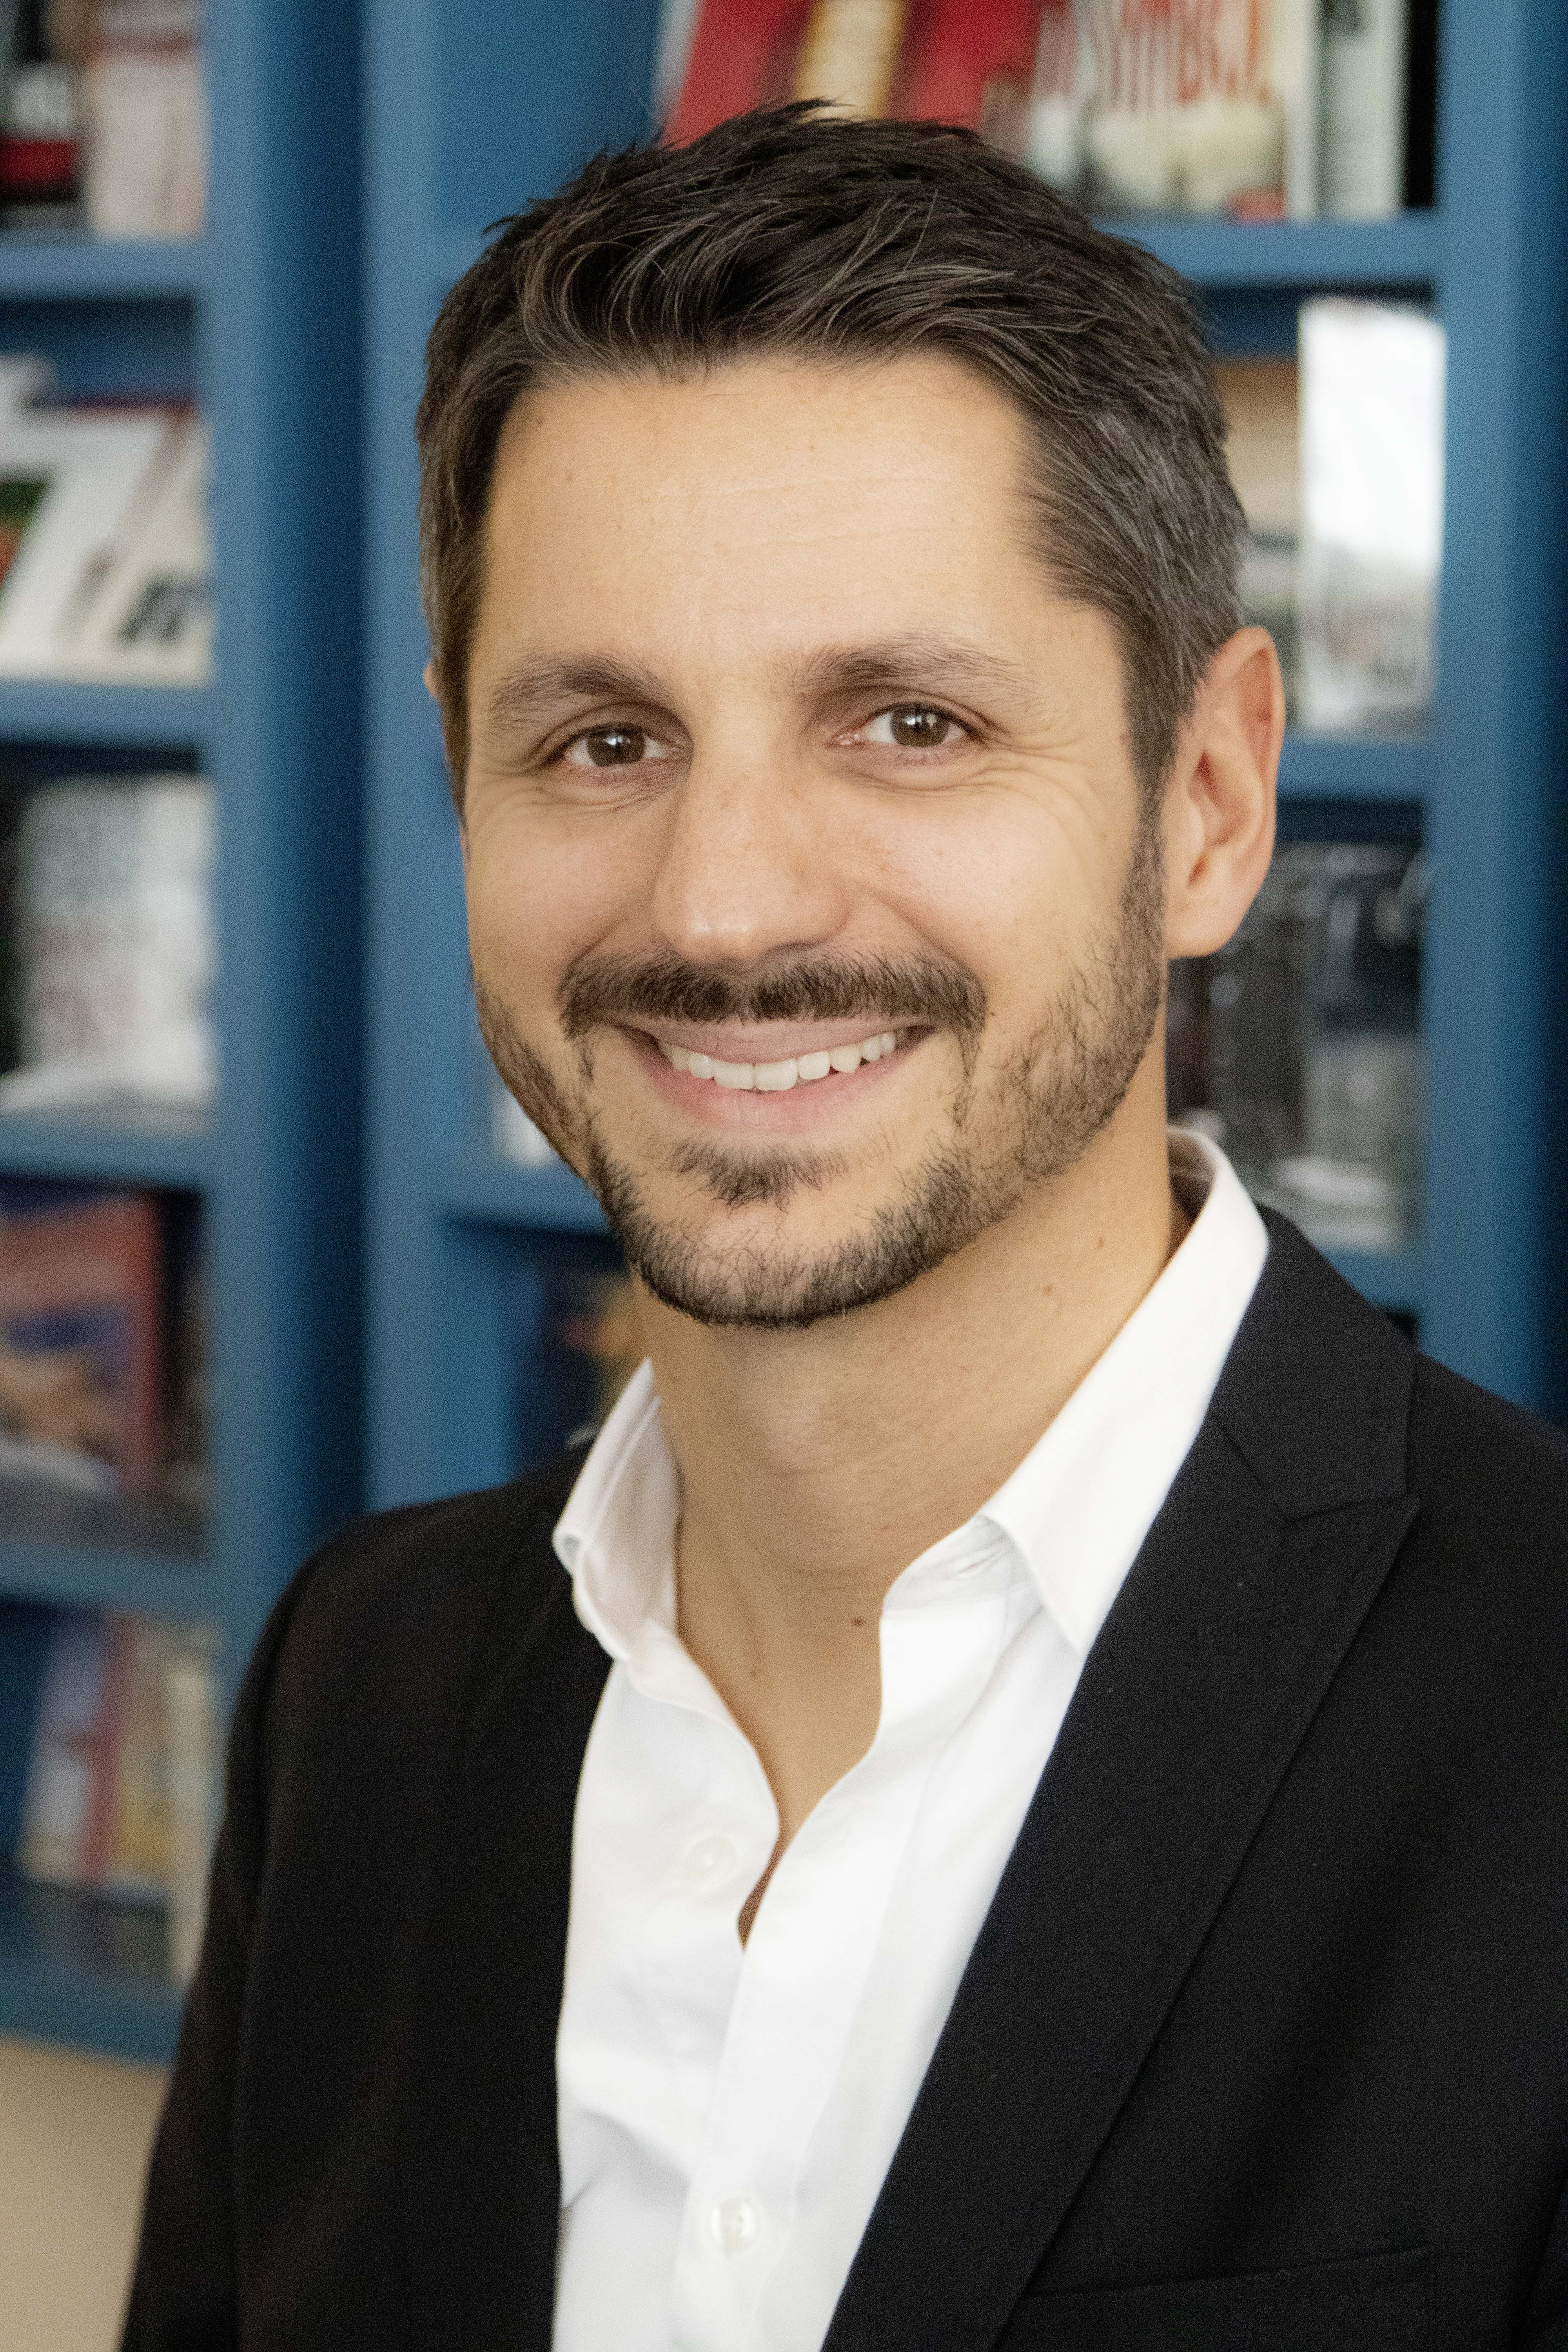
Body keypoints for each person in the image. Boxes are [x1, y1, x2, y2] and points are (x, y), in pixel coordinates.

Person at [123, 107, 1568, 2352]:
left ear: (1208, 802)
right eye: (605, 742)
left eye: (910, 722)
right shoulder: (361, 1683)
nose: (723, 908)